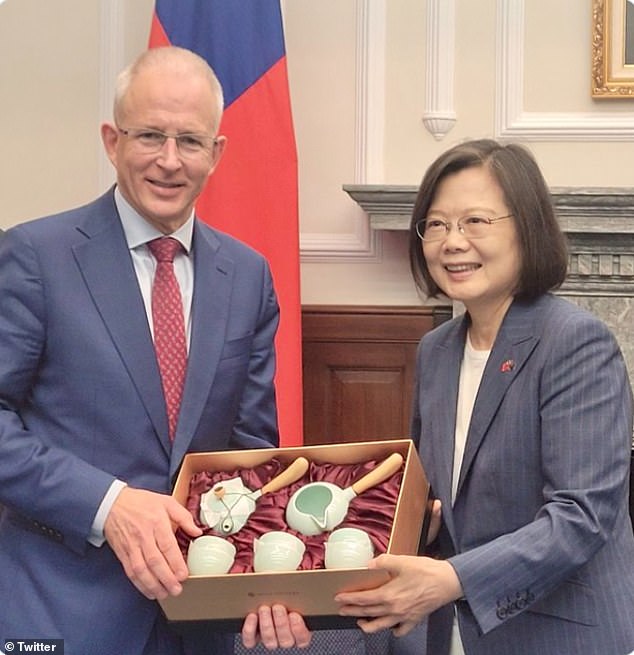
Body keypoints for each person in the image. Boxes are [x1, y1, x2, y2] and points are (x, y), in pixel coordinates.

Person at [0, 46, 309, 654]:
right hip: (62, 609)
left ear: (216, 153)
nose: (170, 161)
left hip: (202, 619)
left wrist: (270, 575)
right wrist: (107, 504)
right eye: (149, 136)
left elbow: (250, 455)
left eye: (190, 141)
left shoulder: (247, 276)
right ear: (112, 141)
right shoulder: (35, 257)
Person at [333, 139, 634, 655]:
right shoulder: (437, 350)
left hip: (560, 633)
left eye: (475, 221)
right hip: (454, 630)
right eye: (436, 224)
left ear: (527, 228)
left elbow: (580, 517)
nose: (452, 242)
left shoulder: (576, 342)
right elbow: (442, 500)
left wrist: (449, 579)